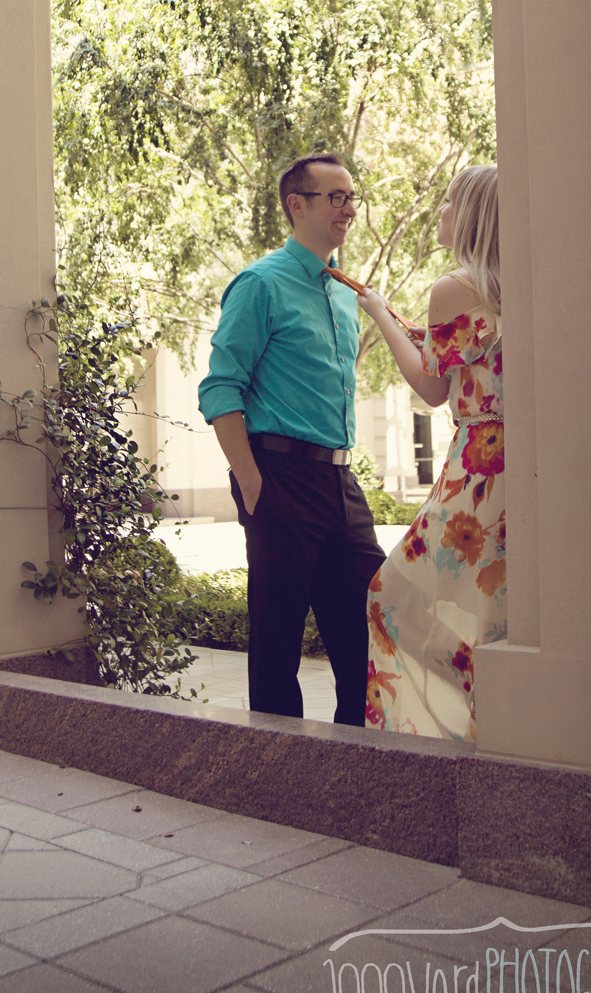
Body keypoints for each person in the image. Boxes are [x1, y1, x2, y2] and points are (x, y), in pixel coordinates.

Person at [198, 153, 384, 725]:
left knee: (371, 630)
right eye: (336, 197)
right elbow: (221, 388)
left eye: (352, 198)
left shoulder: (344, 293)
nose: (349, 209)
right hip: (279, 476)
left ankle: (360, 757)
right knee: (278, 643)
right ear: (296, 204)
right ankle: (278, 764)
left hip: (340, 481)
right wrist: (251, 481)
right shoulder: (260, 284)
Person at [357, 164, 504, 742]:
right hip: (514, 465)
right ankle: (492, 717)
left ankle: (458, 724)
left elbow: (432, 387)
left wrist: (379, 312)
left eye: (448, 202)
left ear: (471, 217)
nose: (440, 212)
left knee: (389, 598)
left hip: (477, 470)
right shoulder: (509, 286)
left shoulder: (453, 287)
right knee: (493, 613)